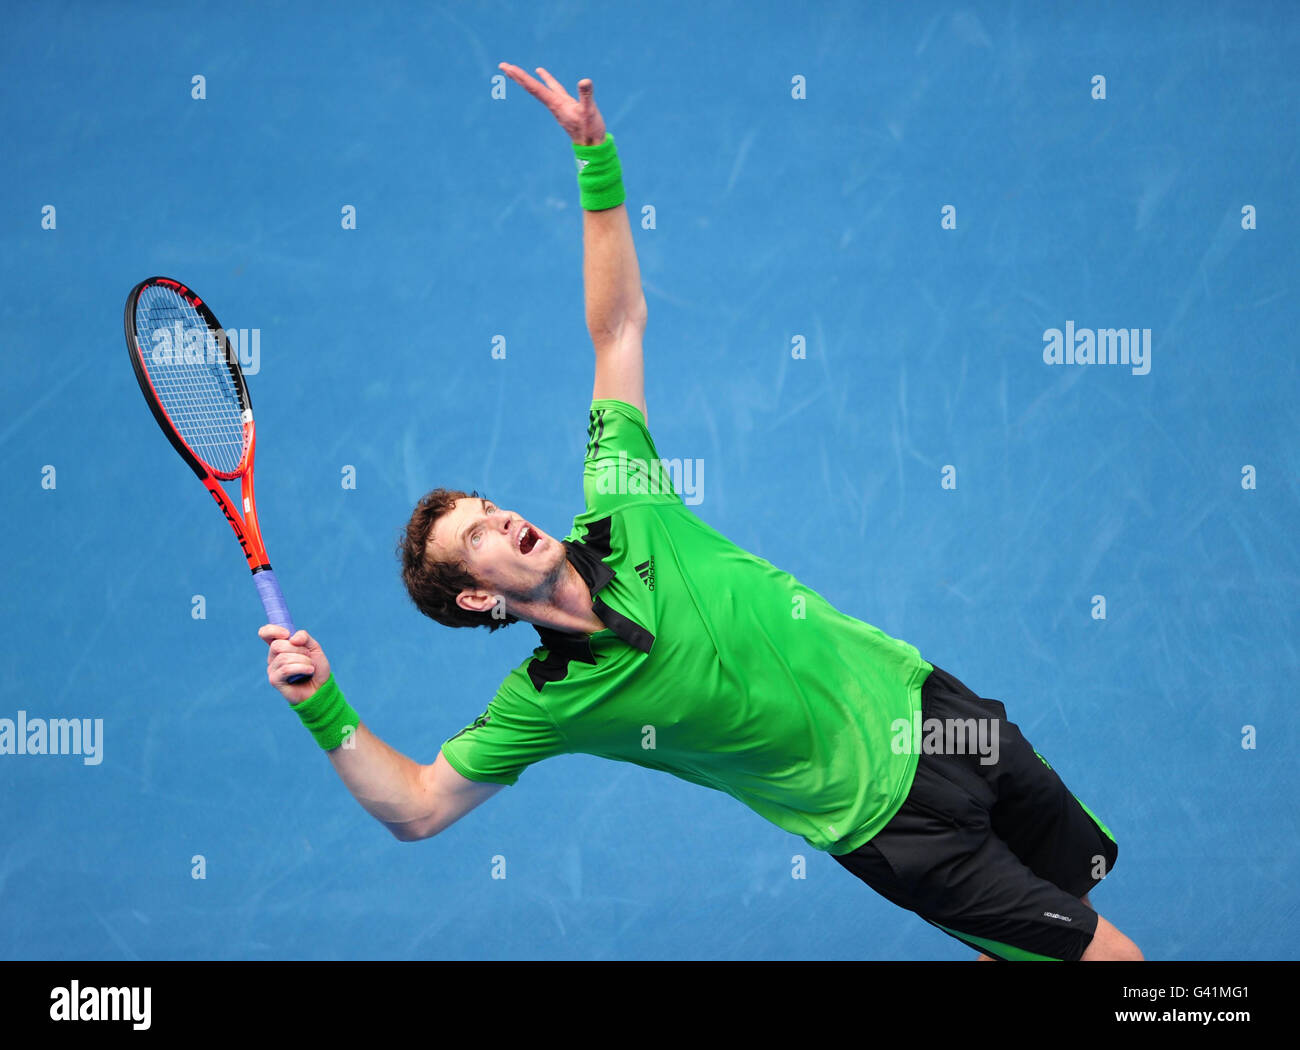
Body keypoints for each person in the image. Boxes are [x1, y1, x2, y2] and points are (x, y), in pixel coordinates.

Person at [259, 62, 1142, 962]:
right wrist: (322, 706)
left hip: (936, 712)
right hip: (889, 830)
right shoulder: (544, 705)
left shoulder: (626, 499)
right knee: (1122, 968)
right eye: (477, 534)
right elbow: (416, 807)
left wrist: (594, 160)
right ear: (479, 599)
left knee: (1067, 901)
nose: (506, 517)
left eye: (491, 505)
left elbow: (618, 330)